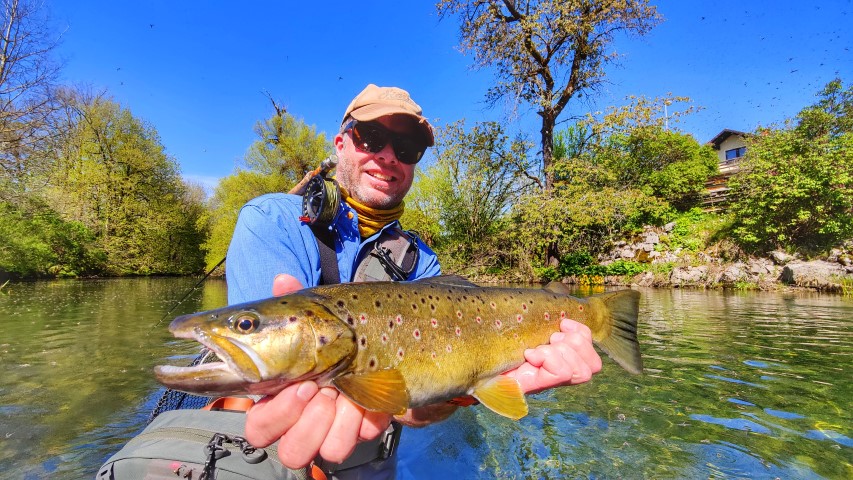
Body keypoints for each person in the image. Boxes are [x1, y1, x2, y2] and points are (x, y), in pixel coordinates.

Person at [224, 84, 603, 479]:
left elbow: (414, 408)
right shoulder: (272, 220)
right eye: (371, 138)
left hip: (369, 457)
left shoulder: (422, 262)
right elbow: (262, 368)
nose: (388, 156)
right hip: (256, 452)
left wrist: (466, 391)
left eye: (407, 149)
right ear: (341, 144)